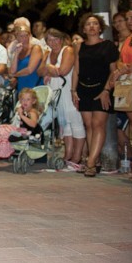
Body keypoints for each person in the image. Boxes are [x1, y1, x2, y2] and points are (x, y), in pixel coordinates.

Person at [72, 13, 119, 177]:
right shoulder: (79, 46)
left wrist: (107, 90)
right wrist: (73, 91)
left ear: (100, 27)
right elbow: (76, 70)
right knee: (89, 125)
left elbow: (114, 71)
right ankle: (95, 159)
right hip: (84, 88)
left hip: (102, 89)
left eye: (95, 24)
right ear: (83, 28)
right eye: (88, 24)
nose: (92, 26)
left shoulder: (108, 46)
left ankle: (90, 162)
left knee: (98, 124)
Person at [38, 28, 84, 170]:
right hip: (56, 93)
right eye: (49, 40)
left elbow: (63, 71)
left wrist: (49, 68)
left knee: (75, 122)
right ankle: (68, 154)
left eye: (55, 39)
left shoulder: (67, 50)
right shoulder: (48, 53)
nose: (53, 42)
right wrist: (51, 69)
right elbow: (40, 71)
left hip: (68, 90)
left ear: (61, 39)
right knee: (65, 125)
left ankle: (78, 156)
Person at [0, 88, 42, 164]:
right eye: (22, 99)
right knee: (1, 133)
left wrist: (21, 115)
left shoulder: (32, 112)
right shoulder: (22, 110)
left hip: (27, 133)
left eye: (28, 99)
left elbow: (33, 124)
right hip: (19, 130)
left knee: (3, 130)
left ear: (34, 101)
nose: (24, 102)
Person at [110, 9, 132, 178]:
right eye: (127, 19)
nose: (129, 22)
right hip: (129, 85)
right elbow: (121, 59)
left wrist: (126, 69)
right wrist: (121, 68)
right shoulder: (129, 39)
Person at [7, 25, 43, 93]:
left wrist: (15, 75)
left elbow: (29, 70)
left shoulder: (35, 48)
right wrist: (17, 53)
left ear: (30, 36)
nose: (24, 38)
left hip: (34, 86)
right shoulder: (18, 50)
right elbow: (12, 71)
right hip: (22, 87)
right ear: (17, 37)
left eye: (26, 35)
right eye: (21, 36)